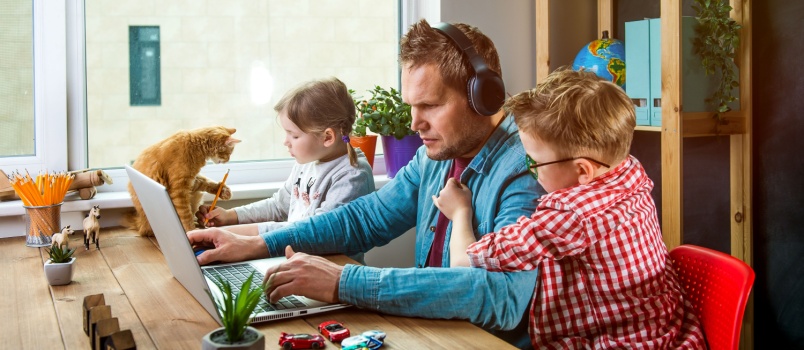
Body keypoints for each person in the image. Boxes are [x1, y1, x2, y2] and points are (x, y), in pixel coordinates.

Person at [188, 19, 544, 348]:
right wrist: (256, 244)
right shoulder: (435, 157)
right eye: (410, 106)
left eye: (430, 105)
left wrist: (343, 282)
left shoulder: (529, 168)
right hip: (436, 333)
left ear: (484, 96)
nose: (414, 122)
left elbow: (503, 296)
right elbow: (365, 219)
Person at [434, 68, 706, 348]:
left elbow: (464, 262)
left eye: (533, 163)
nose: (530, 172)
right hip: (666, 329)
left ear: (582, 171)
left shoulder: (572, 216)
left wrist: (460, 213)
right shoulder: (627, 170)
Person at [195, 77, 375, 262]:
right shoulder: (307, 162)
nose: (285, 141)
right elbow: (279, 205)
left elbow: (314, 233)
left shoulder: (352, 176)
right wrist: (231, 217)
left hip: (330, 272)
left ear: (327, 137)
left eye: (294, 135)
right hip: (294, 260)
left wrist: (235, 234)